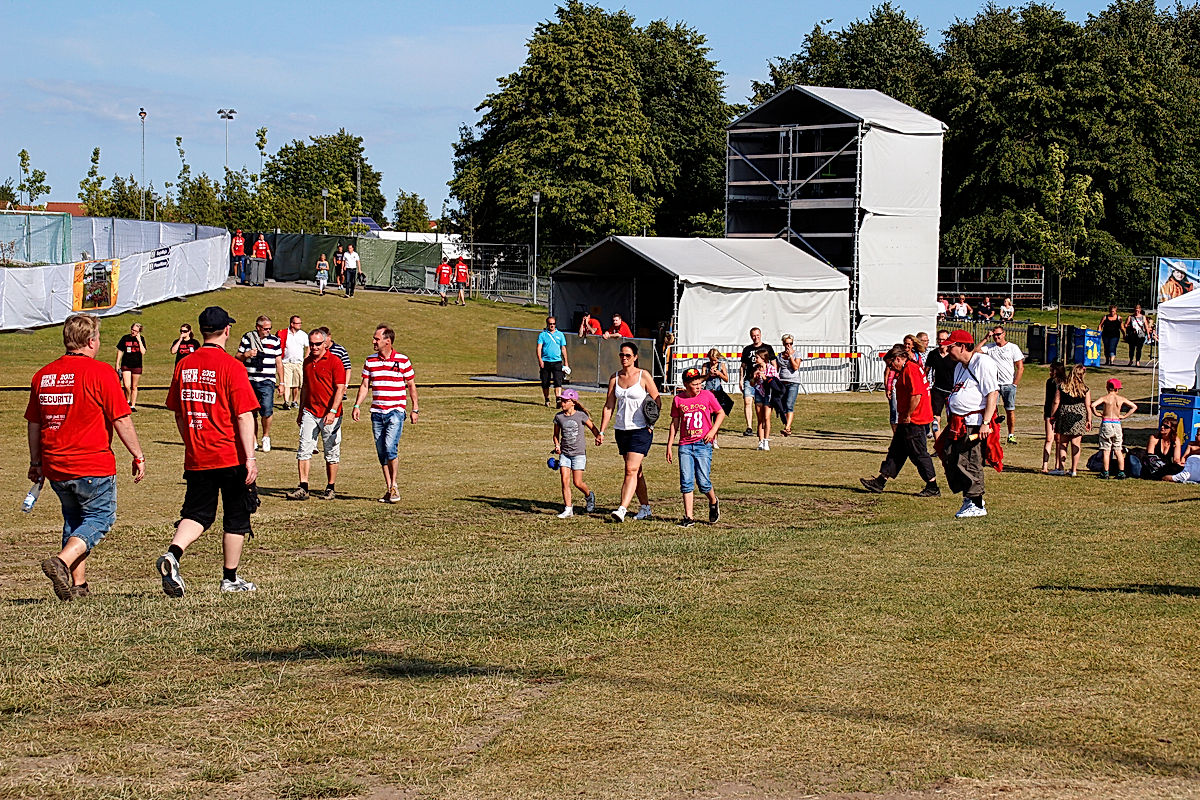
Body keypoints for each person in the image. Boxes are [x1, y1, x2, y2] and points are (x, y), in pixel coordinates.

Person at [27, 313, 146, 601]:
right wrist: (138, 454)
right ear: (91, 341)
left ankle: (78, 587)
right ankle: (61, 562)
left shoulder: (43, 375)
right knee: (100, 518)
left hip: (56, 464)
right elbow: (120, 418)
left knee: (74, 521)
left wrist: (35, 462)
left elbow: (34, 423)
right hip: (91, 463)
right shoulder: (101, 372)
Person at [157, 306, 260, 597]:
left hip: (197, 454)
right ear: (227, 330)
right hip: (229, 454)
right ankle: (230, 578)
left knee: (198, 513)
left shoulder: (185, 365)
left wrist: (190, 441)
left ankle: (174, 554)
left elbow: (178, 412)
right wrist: (250, 457)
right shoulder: (232, 366)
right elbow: (243, 415)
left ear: (202, 331)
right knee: (237, 516)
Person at [860, 343, 939, 497]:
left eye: (890, 364)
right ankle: (880, 481)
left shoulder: (910, 369)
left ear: (897, 359)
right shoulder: (909, 369)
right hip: (907, 419)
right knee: (897, 450)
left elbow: (916, 395)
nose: (891, 369)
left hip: (915, 419)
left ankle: (932, 485)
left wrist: (908, 414)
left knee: (919, 453)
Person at [352, 324, 419, 504]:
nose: (373, 341)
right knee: (382, 451)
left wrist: (415, 409)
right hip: (377, 412)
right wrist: (357, 405)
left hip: (396, 411)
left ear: (387, 341)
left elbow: (411, 385)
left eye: (377, 339)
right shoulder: (370, 361)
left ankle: (394, 484)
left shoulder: (403, 360)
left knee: (390, 446)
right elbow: (365, 385)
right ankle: (390, 488)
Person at [598, 341, 660, 523]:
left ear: (635, 357)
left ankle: (622, 509)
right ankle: (645, 507)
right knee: (636, 471)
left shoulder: (644, 376)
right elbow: (609, 406)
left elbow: (657, 402)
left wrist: (651, 424)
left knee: (630, 469)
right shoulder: (614, 378)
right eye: (621, 355)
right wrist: (602, 431)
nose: (624, 358)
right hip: (622, 430)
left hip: (641, 429)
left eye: (628, 356)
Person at [941, 328, 999, 518]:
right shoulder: (959, 366)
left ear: (962, 346)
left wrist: (986, 422)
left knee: (970, 460)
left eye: (951, 347)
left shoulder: (983, 363)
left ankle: (976, 502)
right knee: (949, 454)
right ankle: (969, 496)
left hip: (974, 422)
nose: (948, 350)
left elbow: (992, 393)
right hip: (957, 422)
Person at [287, 328, 347, 501]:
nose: (314, 347)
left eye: (318, 344)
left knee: (331, 451)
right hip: (310, 412)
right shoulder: (307, 363)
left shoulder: (335, 361)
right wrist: (301, 411)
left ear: (326, 343)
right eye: (311, 344)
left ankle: (330, 487)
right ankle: (303, 486)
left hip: (330, 414)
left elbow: (340, 388)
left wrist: (333, 411)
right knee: (303, 449)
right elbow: (305, 387)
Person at [665, 367, 725, 527]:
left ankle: (713, 501)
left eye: (700, 383)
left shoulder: (707, 395)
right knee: (686, 480)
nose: (698, 387)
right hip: (685, 444)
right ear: (685, 385)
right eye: (694, 384)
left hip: (703, 444)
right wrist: (670, 444)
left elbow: (720, 413)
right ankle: (688, 517)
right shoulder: (678, 399)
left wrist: (712, 431)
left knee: (703, 481)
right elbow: (675, 423)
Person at [236, 315, 283, 453]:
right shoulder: (248, 338)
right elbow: (237, 357)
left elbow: (278, 362)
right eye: (265, 329)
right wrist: (247, 354)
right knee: (251, 411)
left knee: (267, 409)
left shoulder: (275, 341)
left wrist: (282, 382)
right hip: (250, 379)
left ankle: (266, 436)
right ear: (258, 327)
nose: (268, 331)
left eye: (270, 328)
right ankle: (253, 438)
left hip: (267, 380)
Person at [551, 388, 599, 518]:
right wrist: (557, 445)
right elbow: (556, 435)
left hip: (578, 453)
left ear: (573, 402)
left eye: (566, 401)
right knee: (564, 481)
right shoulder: (559, 417)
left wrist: (598, 436)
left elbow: (593, 427)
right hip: (565, 454)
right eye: (562, 400)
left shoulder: (581, 416)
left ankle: (589, 495)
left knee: (577, 483)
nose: (563, 403)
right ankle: (568, 508)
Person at [981, 325, 1024, 443]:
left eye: (998, 334)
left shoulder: (1012, 348)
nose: (996, 337)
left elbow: (1020, 367)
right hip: (994, 385)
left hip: (1008, 384)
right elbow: (975, 352)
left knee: (1010, 410)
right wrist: (985, 338)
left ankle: (1011, 434)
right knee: (992, 410)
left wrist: (1014, 384)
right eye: (994, 335)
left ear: (1004, 334)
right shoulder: (990, 348)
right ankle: (993, 434)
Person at [1049, 364, 1092, 477]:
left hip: (1065, 413)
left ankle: (1061, 468)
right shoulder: (1085, 389)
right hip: (1079, 414)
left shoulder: (1062, 387)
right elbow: (1088, 406)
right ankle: (1074, 469)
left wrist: (1053, 415)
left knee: (1063, 442)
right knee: (1076, 443)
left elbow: (1056, 402)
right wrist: (1089, 420)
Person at [1091, 378, 1137, 479]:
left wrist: (1098, 414)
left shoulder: (1105, 398)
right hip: (1116, 423)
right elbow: (1134, 406)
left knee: (1106, 450)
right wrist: (1124, 416)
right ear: (1117, 389)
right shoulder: (1121, 399)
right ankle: (1121, 472)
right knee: (1118, 449)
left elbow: (1093, 405)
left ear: (1107, 387)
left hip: (1106, 422)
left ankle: (1105, 472)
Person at [739, 327, 775, 437]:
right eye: (754, 335)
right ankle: (749, 427)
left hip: (763, 382)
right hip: (750, 379)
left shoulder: (767, 348)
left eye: (758, 335)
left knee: (762, 406)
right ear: (751, 336)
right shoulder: (747, 349)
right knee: (747, 402)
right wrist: (740, 379)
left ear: (761, 335)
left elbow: (774, 363)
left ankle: (763, 426)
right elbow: (743, 366)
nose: (756, 337)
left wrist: (773, 378)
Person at [924, 330, 955, 436]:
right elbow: (926, 371)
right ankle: (938, 445)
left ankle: (950, 442)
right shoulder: (933, 354)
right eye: (939, 339)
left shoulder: (953, 354)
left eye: (944, 339)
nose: (941, 342)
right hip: (938, 389)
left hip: (952, 390)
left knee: (952, 418)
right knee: (935, 418)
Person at [1040, 361, 1067, 473]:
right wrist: (1048, 414)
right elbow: (1048, 400)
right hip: (1049, 413)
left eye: (1052, 370)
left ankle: (1058, 465)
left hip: (1061, 413)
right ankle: (1045, 465)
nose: (1051, 372)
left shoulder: (1064, 383)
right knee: (1049, 438)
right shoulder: (1050, 382)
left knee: (1059, 440)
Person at [537, 316, 569, 407]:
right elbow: (539, 347)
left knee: (558, 381)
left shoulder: (560, 335)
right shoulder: (542, 335)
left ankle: (558, 399)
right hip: (546, 361)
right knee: (545, 382)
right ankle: (547, 399)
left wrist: (566, 361)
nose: (552, 326)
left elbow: (563, 348)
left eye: (553, 324)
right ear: (547, 324)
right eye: (550, 324)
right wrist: (540, 359)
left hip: (557, 361)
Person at [751, 347, 778, 451]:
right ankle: (760, 441)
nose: (755, 359)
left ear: (763, 358)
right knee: (760, 419)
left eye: (757, 357)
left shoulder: (771, 368)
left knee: (767, 418)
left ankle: (766, 440)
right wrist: (754, 377)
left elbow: (775, 382)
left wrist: (765, 377)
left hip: (768, 394)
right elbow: (751, 383)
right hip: (758, 393)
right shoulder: (755, 368)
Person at [277, 315, 307, 410]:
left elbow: (308, 346)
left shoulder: (303, 335)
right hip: (286, 362)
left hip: (298, 363)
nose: (300, 325)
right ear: (292, 324)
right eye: (298, 323)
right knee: (287, 383)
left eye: (300, 323)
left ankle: (294, 401)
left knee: (297, 384)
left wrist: (306, 357)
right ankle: (286, 402)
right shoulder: (284, 334)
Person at [115, 322, 146, 411]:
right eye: (132, 330)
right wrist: (117, 363)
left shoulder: (141, 339)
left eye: (136, 331)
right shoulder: (125, 338)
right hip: (126, 364)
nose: (133, 332)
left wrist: (139, 340)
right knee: (126, 385)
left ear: (139, 332)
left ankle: (133, 405)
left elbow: (143, 352)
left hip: (137, 365)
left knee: (134, 386)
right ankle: (127, 400)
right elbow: (120, 350)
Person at [1144, 414, 1185, 481]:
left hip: (1166, 467)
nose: (1162, 427)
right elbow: (1150, 456)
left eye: (1166, 426)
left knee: (1178, 468)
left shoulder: (1176, 440)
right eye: (1161, 425)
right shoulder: (1154, 438)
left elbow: (1176, 459)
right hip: (1153, 465)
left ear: (1172, 429)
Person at [777, 335, 802, 436]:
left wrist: (791, 356)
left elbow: (796, 367)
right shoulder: (779, 356)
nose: (788, 346)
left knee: (789, 405)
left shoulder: (797, 354)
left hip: (793, 382)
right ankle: (788, 427)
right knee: (782, 407)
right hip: (782, 382)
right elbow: (777, 369)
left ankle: (787, 428)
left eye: (790, 343)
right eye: (786, 343)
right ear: (783, 344)